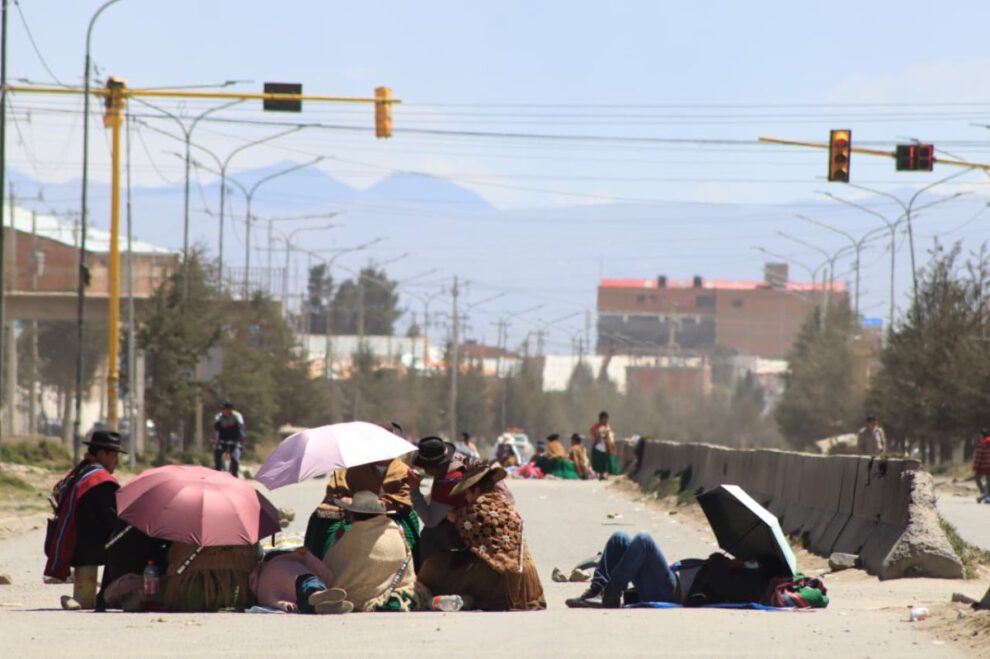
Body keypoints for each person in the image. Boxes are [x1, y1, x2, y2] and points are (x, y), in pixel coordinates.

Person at [417, 463, 545, 611]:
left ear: (476, 489)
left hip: (504, 578)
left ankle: (470, 598)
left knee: (434, 567)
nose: (465, 496)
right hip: (527, 578)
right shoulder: (505, 504)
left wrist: (455, 519)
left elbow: (456, 539)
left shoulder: (476, 509)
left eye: (467, 492)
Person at [565, 531, 778, 609]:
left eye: (753, 562)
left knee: (644, 540)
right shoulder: (745, 574)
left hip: (673, 592)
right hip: (671, 580)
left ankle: (611, 596)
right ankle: (596, 590)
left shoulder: (752, 584)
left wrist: (728, 563)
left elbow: (718, 579)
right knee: (620, 538)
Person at [44, 430, 125, 610]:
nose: (116, 461)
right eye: (114, 455)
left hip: (69, 544)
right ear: (102, 454)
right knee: (124, 541)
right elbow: (113, 521)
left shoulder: (79, 472)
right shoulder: (101, 481)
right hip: (83, 549)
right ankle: (107, 596)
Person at [303, 458, 421, 568]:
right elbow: (335, 492)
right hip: (354, 514)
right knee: (324, 527)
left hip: (390, 517)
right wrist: (348, 501)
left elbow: (404, 498)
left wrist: (380, 504)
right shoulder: (351, 467)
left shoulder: (403, 471)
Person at [323, 491, 419, 612]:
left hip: (355, 596)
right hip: (394, 587)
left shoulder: (354, 535)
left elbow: (330, 564)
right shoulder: (394, 529)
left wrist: (336, 541)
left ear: (353, 514)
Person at [249, 547, 349, 614]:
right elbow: (326, 574)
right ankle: (316, 592)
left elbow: (262, 595)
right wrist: (307, 554)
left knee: (300, 602)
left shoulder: (259, 575)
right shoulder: (293, 558)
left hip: (267, 593)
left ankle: (316, 607)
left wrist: (280, 604)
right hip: (286, 570)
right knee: (307, 580)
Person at [213, 400, 246, 476]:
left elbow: (241, 427)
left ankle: (234, 475)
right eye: (222, 409)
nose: (222, 411)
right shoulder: (219, 416)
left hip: (234, 441)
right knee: (217, 452)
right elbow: (217, 429)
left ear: (230, 409)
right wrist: (216, 439)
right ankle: (218, 470)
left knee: (235, 458)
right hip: (222, 440)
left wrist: (242, 436)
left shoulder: (237, 416)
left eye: (224, 409)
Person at [590, 411, 619, 479]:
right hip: (599, 447)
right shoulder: (597, 426)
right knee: (601, 462)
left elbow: (610, 436)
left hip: (607, 447)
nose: (605, 420)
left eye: (606, 418)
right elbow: (594, 433)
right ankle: (601, 474)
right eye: (604, 418)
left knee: (607, 462)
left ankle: (606, 474)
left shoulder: (607, 426)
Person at [973, 428, 990, 504]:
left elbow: (979, 456)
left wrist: (975, 466)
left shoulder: (982, 443)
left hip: (984, 465)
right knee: (988, 482)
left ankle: (983, 493)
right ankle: (987, 496)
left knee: (977, 478)